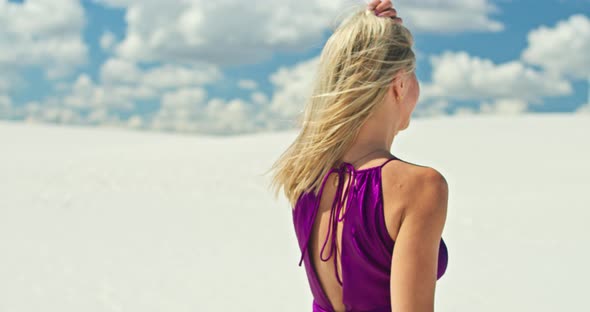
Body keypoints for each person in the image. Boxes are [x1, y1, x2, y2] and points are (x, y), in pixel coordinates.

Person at [268, 1, 449, 311]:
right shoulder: (419, 186)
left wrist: (382, 36)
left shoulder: (307, 178)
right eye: (415, 76)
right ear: (399, 84)